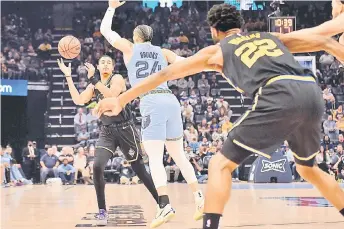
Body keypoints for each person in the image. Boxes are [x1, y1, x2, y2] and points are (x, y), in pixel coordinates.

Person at [96, 3, 344, 228]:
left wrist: (120, 100)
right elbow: (325, 41)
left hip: (277, 92)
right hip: (311, 92)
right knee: (308, 169)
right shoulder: (270, 37)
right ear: (241, 25)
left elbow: (164, 76)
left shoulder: (217, 50)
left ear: (214, 30)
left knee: (219, 165)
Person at [99, 0, 204, 227]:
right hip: (170, 100)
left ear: (136, 38)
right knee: (180, 156)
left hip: (151, 101)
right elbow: (189, 63)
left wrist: (111, 7)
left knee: (155, 158)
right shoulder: (163, 51)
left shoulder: (129, 48)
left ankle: (164, 205)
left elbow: (105, 31)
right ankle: (199, 198)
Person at [57, 54, 159, 226]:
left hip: (126, 129)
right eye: (102, 62)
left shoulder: (117, 78)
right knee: (97, 166)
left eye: (108, 63)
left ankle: (162, 204)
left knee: (139, 169)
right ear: (97, 66)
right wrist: (68, 76)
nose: (105, 65)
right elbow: (78, 100)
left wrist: (94, 80)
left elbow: (112, 95)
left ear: (112, 67)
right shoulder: (94, 84)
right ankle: (102, 212)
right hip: (107, 132)